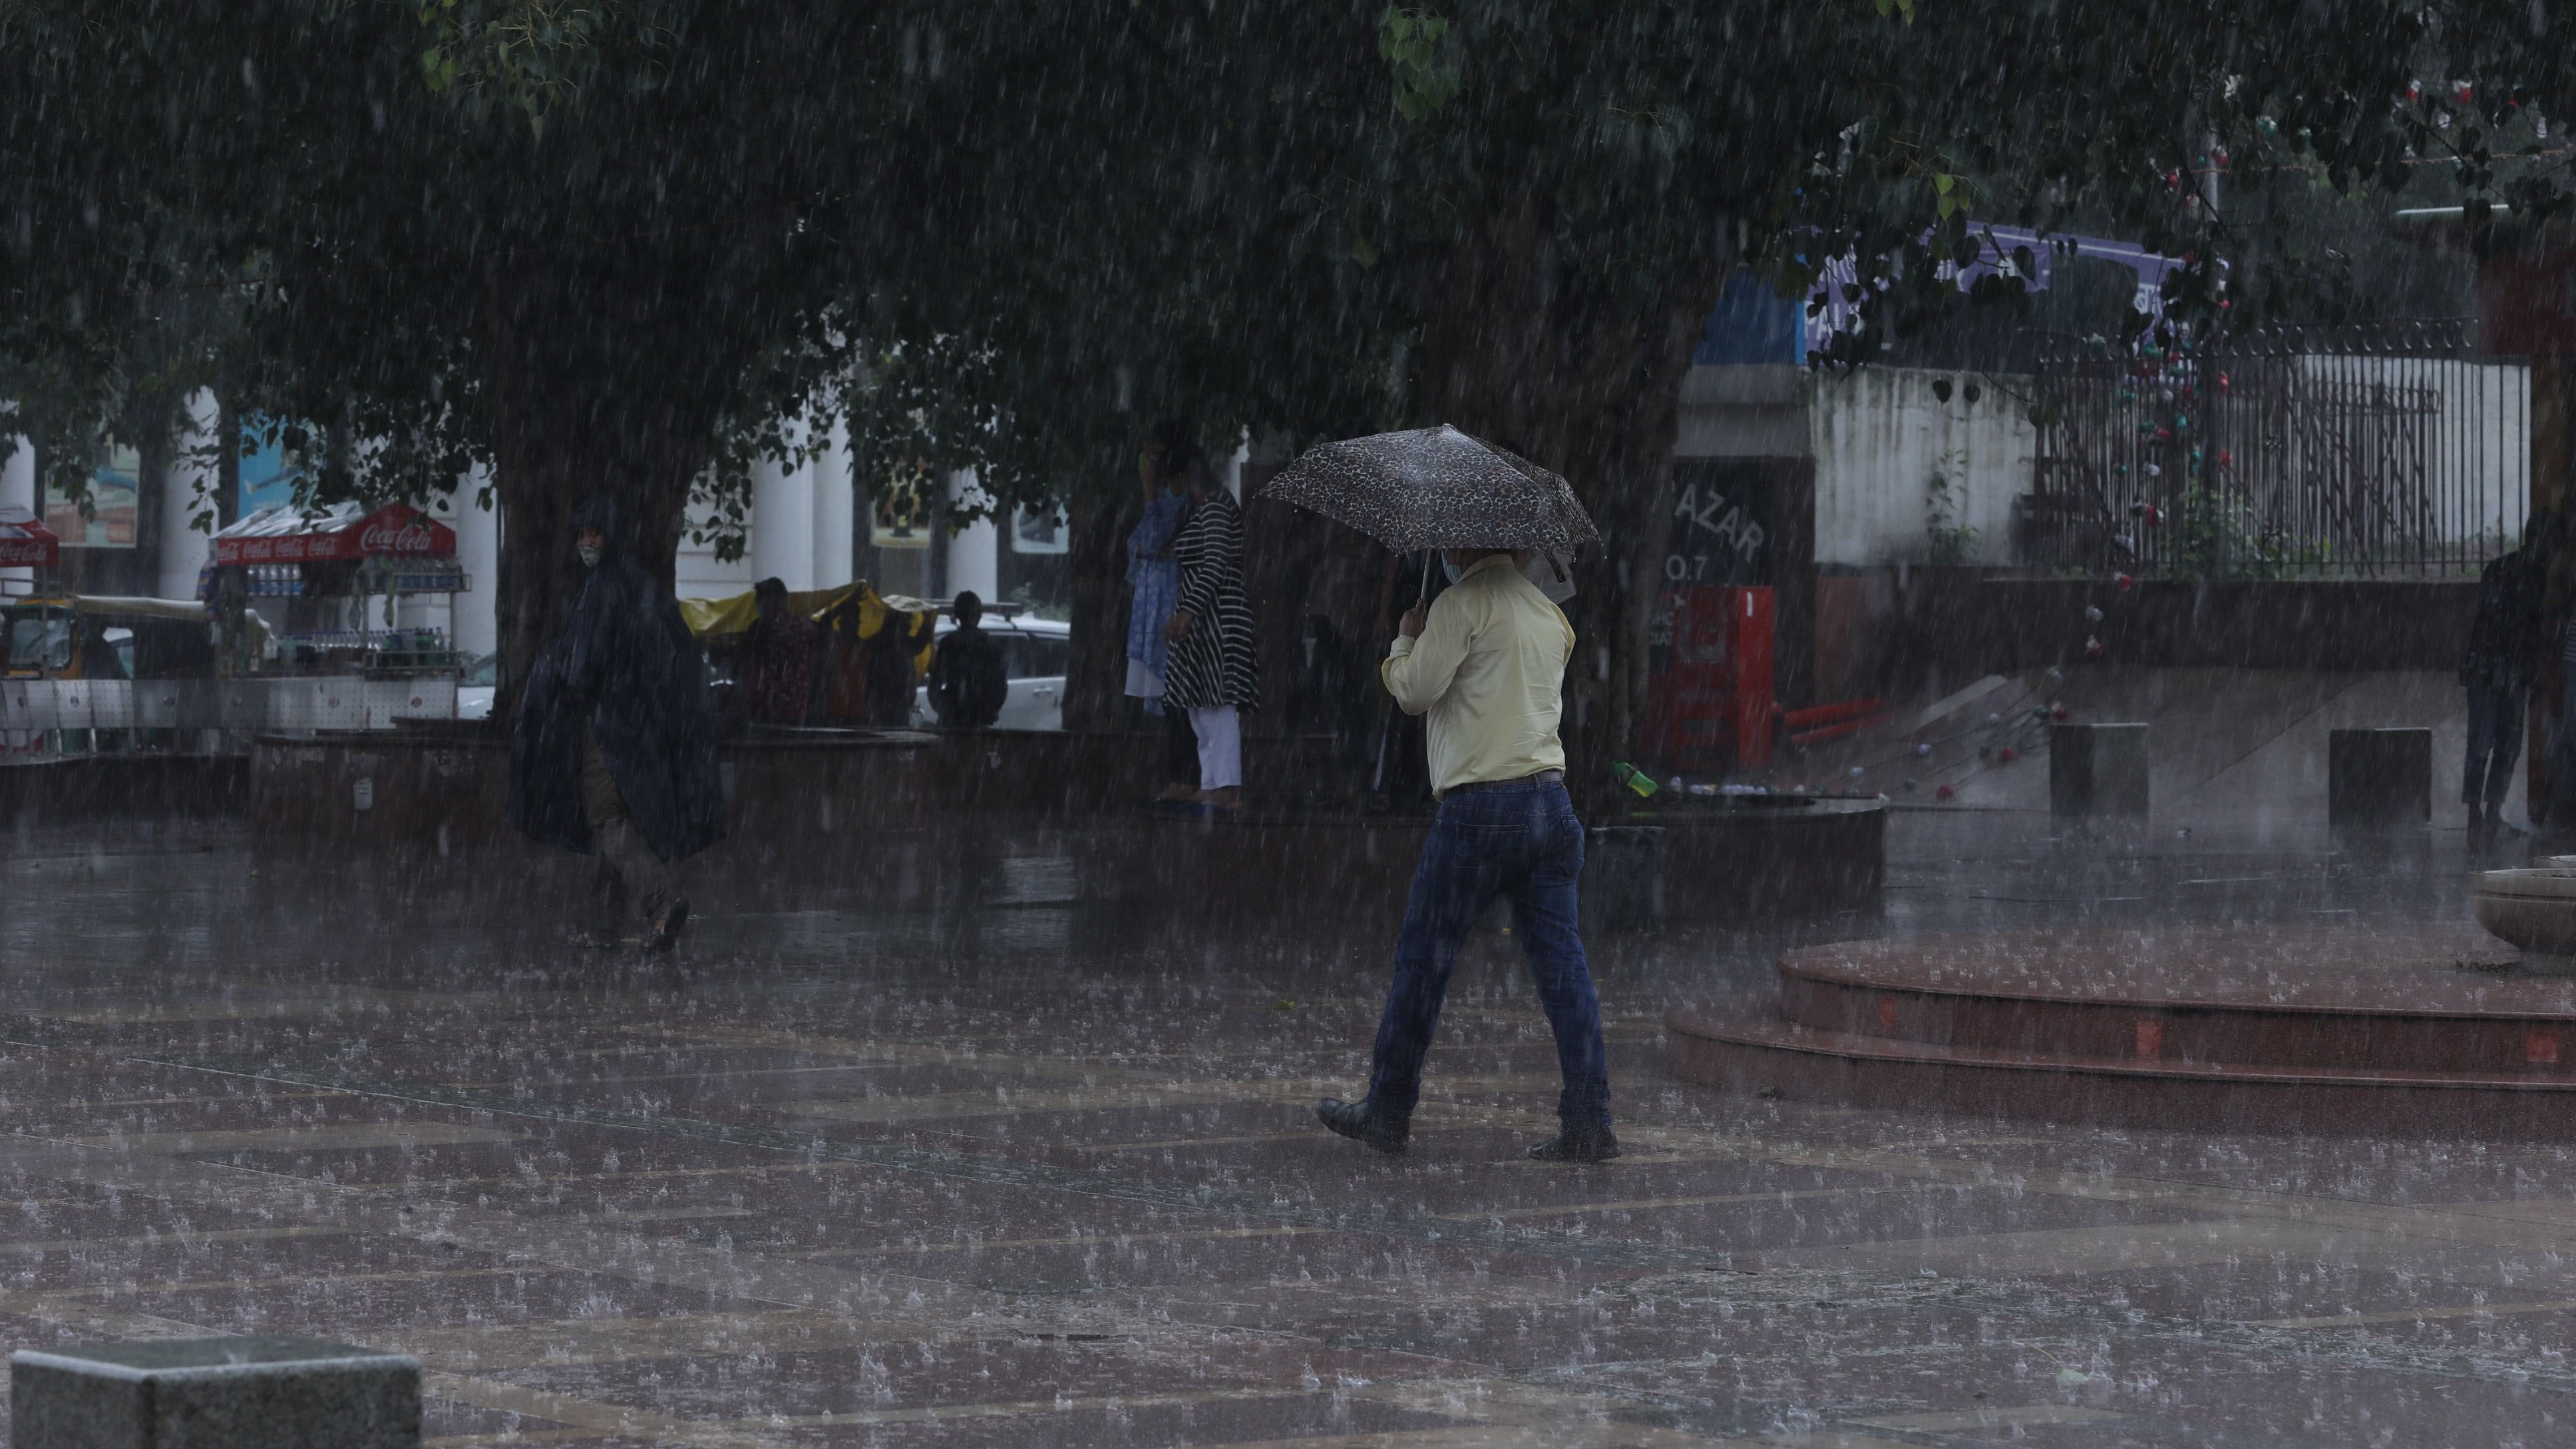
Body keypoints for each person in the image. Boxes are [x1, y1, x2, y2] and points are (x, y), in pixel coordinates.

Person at [1318, 545, 1616, 1163]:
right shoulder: (1547, 614)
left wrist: (1405, 641)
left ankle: (1389, 1107)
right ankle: (1590, 1118)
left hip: (1480, 809)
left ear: (1458, 546)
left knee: (1423, 961)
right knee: (1564, 969)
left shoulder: (1459, 605)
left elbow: (1414, 694)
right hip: (1551, 807)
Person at [508, 497, 725, 951]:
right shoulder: (643, 588)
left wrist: (562, 689)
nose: (587, 542)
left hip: (608, 727)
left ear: (610, 537)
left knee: (607, 816)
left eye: (595, 534)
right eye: (583, 534)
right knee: (623, 818)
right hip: (645, 729)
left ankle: (663, 904)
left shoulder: (601, 590)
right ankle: (605, 923)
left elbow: (582, 665)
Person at [1160, 443, 1258, 809]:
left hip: (1219, 620)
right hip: (1205, 623)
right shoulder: (1204, 509)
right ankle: (1212, 782)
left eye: (1172, 482)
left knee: (1217, 704)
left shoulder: (1217, 507)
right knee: (1200, 705)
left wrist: (1186, 612)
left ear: (1185, 479)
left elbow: (1215, 564)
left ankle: (1228, 788)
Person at [2464, 513, 2553, 843]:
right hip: (2501, 669)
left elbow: (2493, 620)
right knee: (2502, 744)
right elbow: (2525, 630)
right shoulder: (2533, 576)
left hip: (2488, 668)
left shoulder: (2500, 568)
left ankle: (2479, 813)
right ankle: (2488, 813)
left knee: (2486, 743)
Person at [1126, 429, 1195, 799]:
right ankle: (1181, 776)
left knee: (1177, 699)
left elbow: (1148, 542)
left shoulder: (1175, 500)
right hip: (1160, 609)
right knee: (1172, 700)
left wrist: (1150, 494)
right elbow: (1137, 548)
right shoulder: (1170, 500)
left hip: (1172, 608)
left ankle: (1185, 778)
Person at [741, 577, 817, 726]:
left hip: (768, 705)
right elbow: (813, 662)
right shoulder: (805, 626)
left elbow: (752, 666)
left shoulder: (761, 628)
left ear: (769, 598)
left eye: (759, 599)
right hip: (798, 705)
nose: (758, 604)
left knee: (767, 748)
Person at [930, 590, 1009, 728]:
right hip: (979, 723)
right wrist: (988, 711)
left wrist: (945, 709)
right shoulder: (991, 645)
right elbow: (1000, 685)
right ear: (979, 615)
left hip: (951, 723)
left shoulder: (947, 644)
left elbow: (935, 682)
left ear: (956, 614)